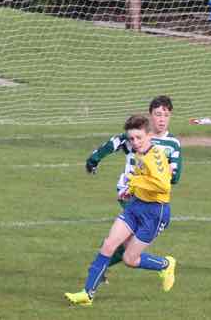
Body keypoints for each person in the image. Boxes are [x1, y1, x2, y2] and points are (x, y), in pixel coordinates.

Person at [65, 115, 177, 306]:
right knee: (109, 244)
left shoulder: (156, 156)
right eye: (131, 139)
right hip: (136, 206)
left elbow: (163, 186)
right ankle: (87, 294)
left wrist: (135, 182)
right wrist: (130, 190)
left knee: (129, 259)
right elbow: (141, 177)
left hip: (155, 213)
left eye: (139, 138)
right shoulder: (139, 153)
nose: (135, 142)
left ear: (149, 136)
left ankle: (165, 265)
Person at [84, 96, 181, 273]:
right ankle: (100, 268)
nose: (161, 119)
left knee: (125, 243)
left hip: (151, 196)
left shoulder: (172, 144)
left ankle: (101, 267)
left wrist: (161, 174)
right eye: (158, 114)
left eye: (166, 115)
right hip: (129, 192)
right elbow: (112, 144)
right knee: (123, 241)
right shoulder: (134, 136)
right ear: (150, 115)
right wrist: (93, 160)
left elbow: (175, 176)